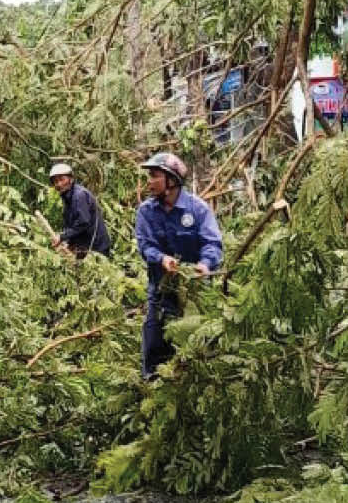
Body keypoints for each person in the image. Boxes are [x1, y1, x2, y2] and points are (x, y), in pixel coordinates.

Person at [133, 152, 223, 379]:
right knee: (155, 340)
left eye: (154, 176)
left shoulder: (198, 209)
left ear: (171, 180)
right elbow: (145, 245)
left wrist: (204, 265)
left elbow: (212, 243)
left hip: (195, 292)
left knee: (198, 345)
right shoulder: (146, 211)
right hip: (161, 289)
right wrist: (162, 259)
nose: (149, 181)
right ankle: (152, 385)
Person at [48, 162, 112, 257]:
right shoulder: (67, 197)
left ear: (71, 179)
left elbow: (83, 222)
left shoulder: (79, 195)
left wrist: (62, 237)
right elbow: (71, 224)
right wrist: (68, 242)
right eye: (55, 181)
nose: (59, 184)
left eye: (61, 179)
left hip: (96, 248)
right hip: (84, 247)